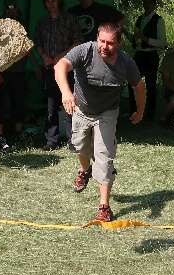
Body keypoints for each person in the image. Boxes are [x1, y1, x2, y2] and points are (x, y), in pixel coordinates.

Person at [56, 22, 145, 222]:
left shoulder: (125, 62)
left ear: (119, 43)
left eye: (110, 43)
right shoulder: (84, 51)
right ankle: (85, 169)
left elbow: (139, 86)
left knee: (104, 158)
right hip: (81, 110)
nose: (104, 46)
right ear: (96, 39)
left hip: (107, 113)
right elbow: (60, 66)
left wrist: (140, 111)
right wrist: (66, 93)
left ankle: (104, 206)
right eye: (101, 41)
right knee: (80, 147)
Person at [35, 0, 81, 150]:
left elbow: (78, 42)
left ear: (59, 1)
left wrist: (61, 56)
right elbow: (37, 43)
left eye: (53, 1)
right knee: (51, 106)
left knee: (70, 103)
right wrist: (44, 57)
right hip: (49, 68)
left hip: (67, 68)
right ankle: (51, 141)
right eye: (47, 2)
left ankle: (73, 140)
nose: (51, 4)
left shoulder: (70, 19)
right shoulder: (42, 22)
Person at [0, 0, 28, 151]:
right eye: (9, 8)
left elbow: (28, 47)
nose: (11, 11)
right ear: (5, 9)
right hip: (3, 71)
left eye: (14, 8)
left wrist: (35, 66)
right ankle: (0, 135)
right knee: (0, 103)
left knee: (19, 102)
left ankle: (18, 133)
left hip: (19, 71)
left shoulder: (22, 24)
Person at [129, 0, 167, 120]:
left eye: (149, 3)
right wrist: (125, 32)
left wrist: (145, 38)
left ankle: (150, 113)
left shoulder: (159, 20)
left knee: (151, 85)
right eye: (144, 3)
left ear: (154, 4)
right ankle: (134, 110)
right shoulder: (139, 19)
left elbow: (162, 43)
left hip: (151, 55)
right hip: (139, 54)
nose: (146, 5)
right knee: (133, 82)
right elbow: (135, 40)